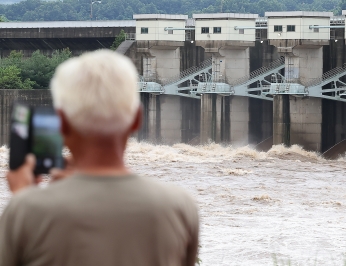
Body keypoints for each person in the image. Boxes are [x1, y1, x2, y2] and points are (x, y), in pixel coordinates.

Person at [0, 49, 199, 266]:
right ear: (137, 120)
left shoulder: (26, 211)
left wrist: (24, 198)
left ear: (62, 123)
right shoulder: (179, 208)